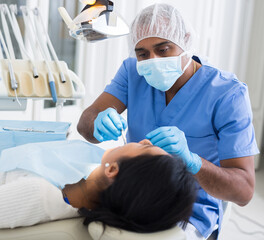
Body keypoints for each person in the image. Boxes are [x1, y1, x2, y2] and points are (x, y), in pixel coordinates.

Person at [77, 3, 259, 240]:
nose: (152, 60)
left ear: (186, 42)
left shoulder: (227, 94)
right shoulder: (133, 72)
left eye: (163, 50)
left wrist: (193, 162)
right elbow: (85, 125)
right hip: (131, 193)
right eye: (142, 53)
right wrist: (97, 122)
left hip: (190, 206)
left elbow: (244, 191)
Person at [0, 128, 196, 233]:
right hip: (5, 174)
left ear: (113, 171)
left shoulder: (36, 195)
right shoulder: (97, 191)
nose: (142, 140)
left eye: (144, 148)